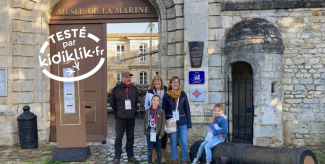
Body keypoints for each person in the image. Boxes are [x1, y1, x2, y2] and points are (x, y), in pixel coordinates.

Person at [110, 71, 139, 164]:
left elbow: (136, 102)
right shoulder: (116, 89)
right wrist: (119, 111)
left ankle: (130, 156)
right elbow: (112, 103)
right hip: (120, 117)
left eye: (129, 77)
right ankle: (117, 157)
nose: (128, 79)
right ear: (122, 78)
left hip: (131, 118)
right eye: (126, 77)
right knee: (119, 138)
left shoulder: (134, 89)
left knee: (130, 138)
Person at [162, 76, 192, 164]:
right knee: (173, 142)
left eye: (177, 82)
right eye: (174, 82)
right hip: (171, 122)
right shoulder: (166, 95)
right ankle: (174, 159)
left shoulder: (183, 94)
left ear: (179, 84)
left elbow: (187, 109)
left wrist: (189, 124)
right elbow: (163, 109)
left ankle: (185, 160)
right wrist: (164, 122)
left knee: (184, 143)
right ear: (170, 84)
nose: (176, 84)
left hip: (183, 121)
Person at [144, 75, 168, 163]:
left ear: (161, 82)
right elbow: (146, 104)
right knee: (152, 135)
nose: (157, 82)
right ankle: (153, 155)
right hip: (153, 117)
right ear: (153, 82)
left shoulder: (165, 90)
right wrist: (147, 115)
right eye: (155, 81)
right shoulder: (149, 92)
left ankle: (162, 155)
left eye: (158, 81)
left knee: (162, 135)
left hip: (162, 116)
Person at [144, 95, 166, 164]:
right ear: (151, 101)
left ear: (159, 102)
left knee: (158, 150)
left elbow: (163, 123)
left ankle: (159, 162)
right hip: (149, 132)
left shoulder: (161, 111)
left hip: (158, 133)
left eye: (157, 100)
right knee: (150, 150)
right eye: (154, 100)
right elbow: (145, 122)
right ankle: (150, 162)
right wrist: (144, 132)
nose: (155, 102)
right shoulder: (148, 110)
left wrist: (161, 134)